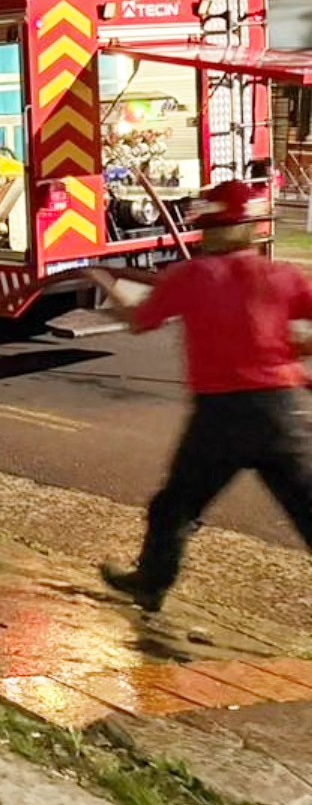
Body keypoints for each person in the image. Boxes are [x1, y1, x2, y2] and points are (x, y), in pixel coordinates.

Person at [91, 179, 312, 612]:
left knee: (175, 506)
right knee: (308, 511)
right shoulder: (280, 275)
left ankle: (151, 584)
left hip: (220, 417)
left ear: (208, 230)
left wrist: (103, 282)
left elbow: (139, 320)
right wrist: (300, 347)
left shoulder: (190, 277)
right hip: (279, 411)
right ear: (249, 229)